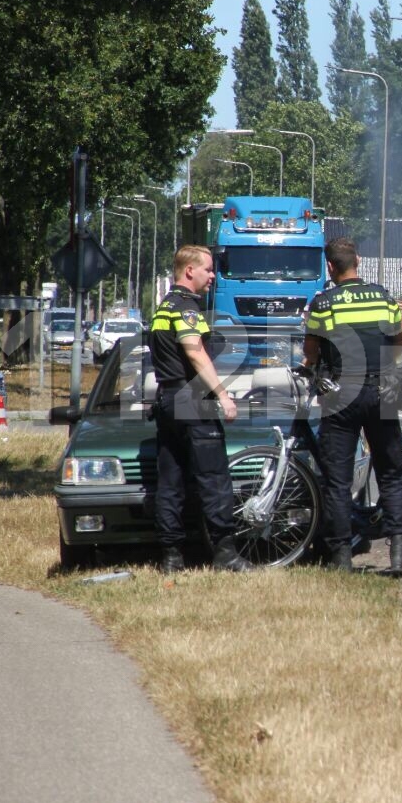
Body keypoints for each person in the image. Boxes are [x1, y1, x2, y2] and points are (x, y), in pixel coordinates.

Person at [301, 237, 402, 575]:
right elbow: (399, 341)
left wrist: (309, 366)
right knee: (390, 474)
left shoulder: (324, 303)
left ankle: (341, 559)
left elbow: (312, 351)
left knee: (337, 480)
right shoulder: (383, 296)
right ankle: (399, 556)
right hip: (384, 390)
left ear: (330, 267)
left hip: (342, 393)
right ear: (358, 261)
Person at [150, 245, 251, 573]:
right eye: (208, 269)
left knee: (171, 482)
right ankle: (225, 554)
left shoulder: (163, 307)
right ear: (189, 271)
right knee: (214, 479)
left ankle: (171, 556)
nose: (213, 276)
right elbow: (195, 352)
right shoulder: (187, 308)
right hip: (192, 402)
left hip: (168, 402)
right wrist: (222, 394)